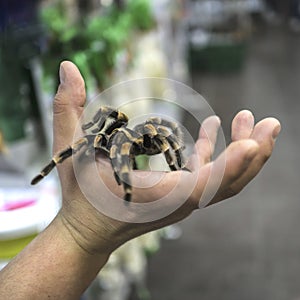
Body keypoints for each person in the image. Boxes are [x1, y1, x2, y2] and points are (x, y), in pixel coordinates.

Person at [0, 61, 281, 299]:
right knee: (105, 135)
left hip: (132, 140)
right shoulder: (104, 138)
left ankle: (167, 167)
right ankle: (61, 170)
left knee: (146, 132)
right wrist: (83, 228)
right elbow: (103, 127)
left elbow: (161, 134)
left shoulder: (138, 137)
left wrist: (178, 167)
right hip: (107, 143)